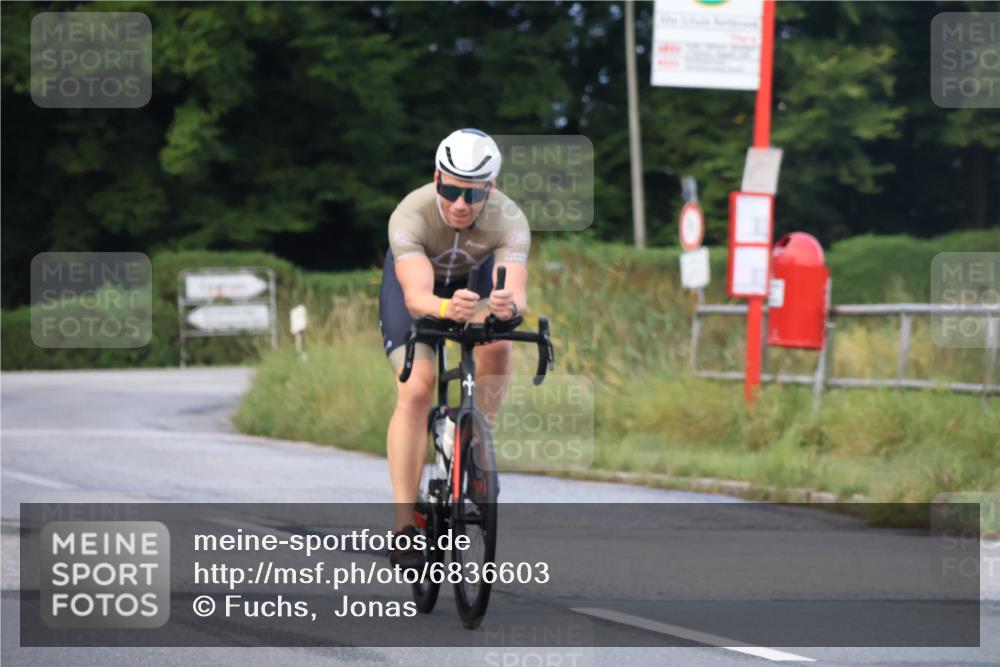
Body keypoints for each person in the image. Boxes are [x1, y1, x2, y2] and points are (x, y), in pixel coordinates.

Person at [379, 128, 530, 568]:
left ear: (491, 189)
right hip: (423, 294)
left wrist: (505, 304)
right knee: (417, 386)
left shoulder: (510, 219)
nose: (460, 203)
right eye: (450, 188)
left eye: (472, 193)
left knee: (500, 344)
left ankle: (473, 438)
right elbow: (417, 298)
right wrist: (447, 307)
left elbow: (516, 292)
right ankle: (406, 524)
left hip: (474, 285)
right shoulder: (410, 213)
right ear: (436, 177)